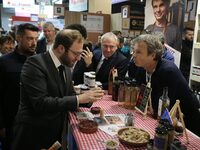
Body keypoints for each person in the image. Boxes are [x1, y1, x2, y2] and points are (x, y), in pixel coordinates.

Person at [11, 29, 104, 150]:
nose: (78, 58)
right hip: (34, 133)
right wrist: (78, 99)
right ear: (61, 48)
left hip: (55, 132)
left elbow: (68, 94)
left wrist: (88, 97)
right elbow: (41, 103)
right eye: (76, 53)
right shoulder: (35, 64)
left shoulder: (65, 65)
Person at [129, 34, 200, 136]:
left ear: (153, 55)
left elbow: (166, 106)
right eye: (134, 51)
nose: (133, 55)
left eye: (138, 52)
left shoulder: (168, 71)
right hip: (160, 117)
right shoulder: (141, 68)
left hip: (185, 121)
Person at [0, 23, 39, 150]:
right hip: (12, 122)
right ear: (19, 38)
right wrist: (1, 125)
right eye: (29, 38)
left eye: (36, 39)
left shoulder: (41, 61)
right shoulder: (4, 62)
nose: (34, 43)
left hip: (36, 122)